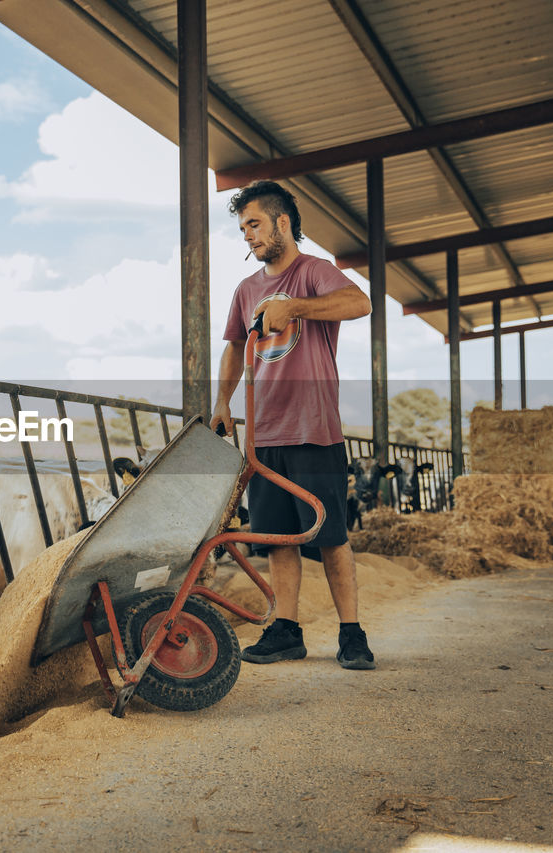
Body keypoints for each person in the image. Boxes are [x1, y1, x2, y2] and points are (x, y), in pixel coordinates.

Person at [210, 180, 375, 670]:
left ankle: (352, 634)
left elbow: (360, 303)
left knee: (329, 535)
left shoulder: (314, 272)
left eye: (255, 224)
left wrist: (294, 307)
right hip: (264, 434)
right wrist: (222, 400)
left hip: (312, 428)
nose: (248, 236)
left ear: (282, 222)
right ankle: (286, 630)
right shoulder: (246, 289)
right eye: (243, 229)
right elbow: (236, 346)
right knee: (277, 535)